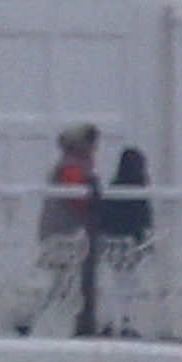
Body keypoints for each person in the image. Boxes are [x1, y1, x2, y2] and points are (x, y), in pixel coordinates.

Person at [16, 122, 100, 334]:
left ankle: (33, 319)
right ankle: (34, 319)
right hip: (62, 234)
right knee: (58, 281)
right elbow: (79, 200)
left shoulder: (72, 166)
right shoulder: (71, 168)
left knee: (59, 281)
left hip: (66, 233)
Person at [94, 146, 158, 334]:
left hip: (111, 243)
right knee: (129, 285)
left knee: (113, 284)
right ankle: (124, 322)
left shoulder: (115, 187)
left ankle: (110, 321)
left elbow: (104, 216)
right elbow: (143, 219)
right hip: (130, 246)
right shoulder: (138, 188)